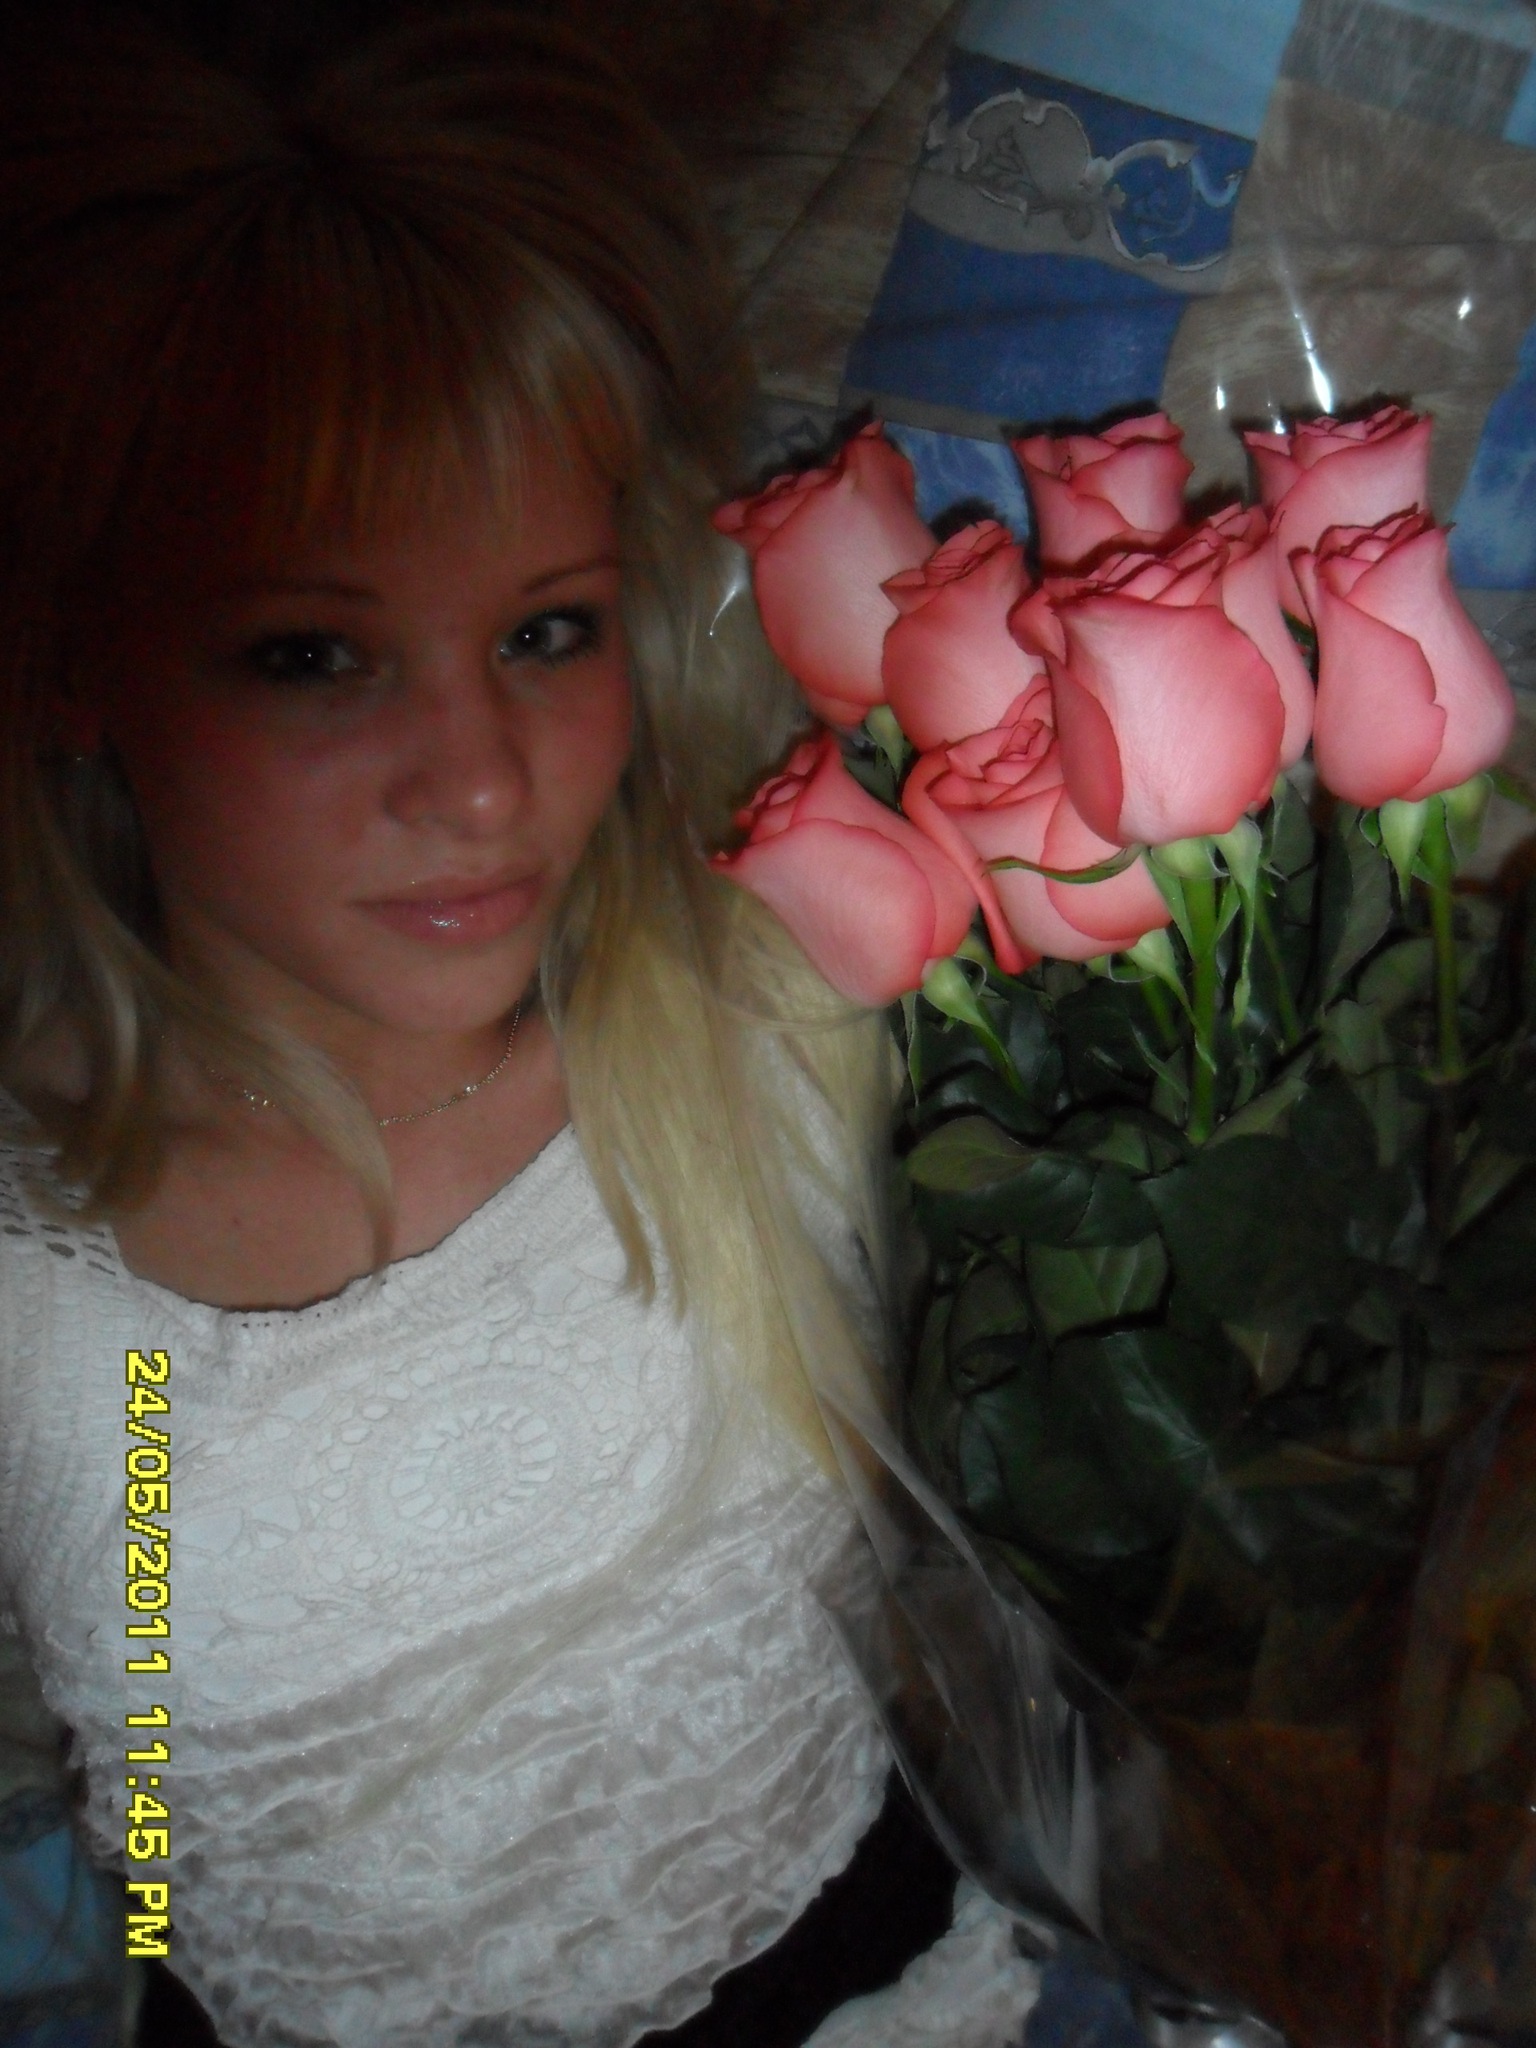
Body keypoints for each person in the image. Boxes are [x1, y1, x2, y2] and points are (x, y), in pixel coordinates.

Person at [0, 8, 1041, 2044]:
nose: (479, 782)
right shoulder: (56, 1307)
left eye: (543, 632)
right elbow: (143, 1797)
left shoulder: (767, 1013)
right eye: (315, 656)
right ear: (70, 663)